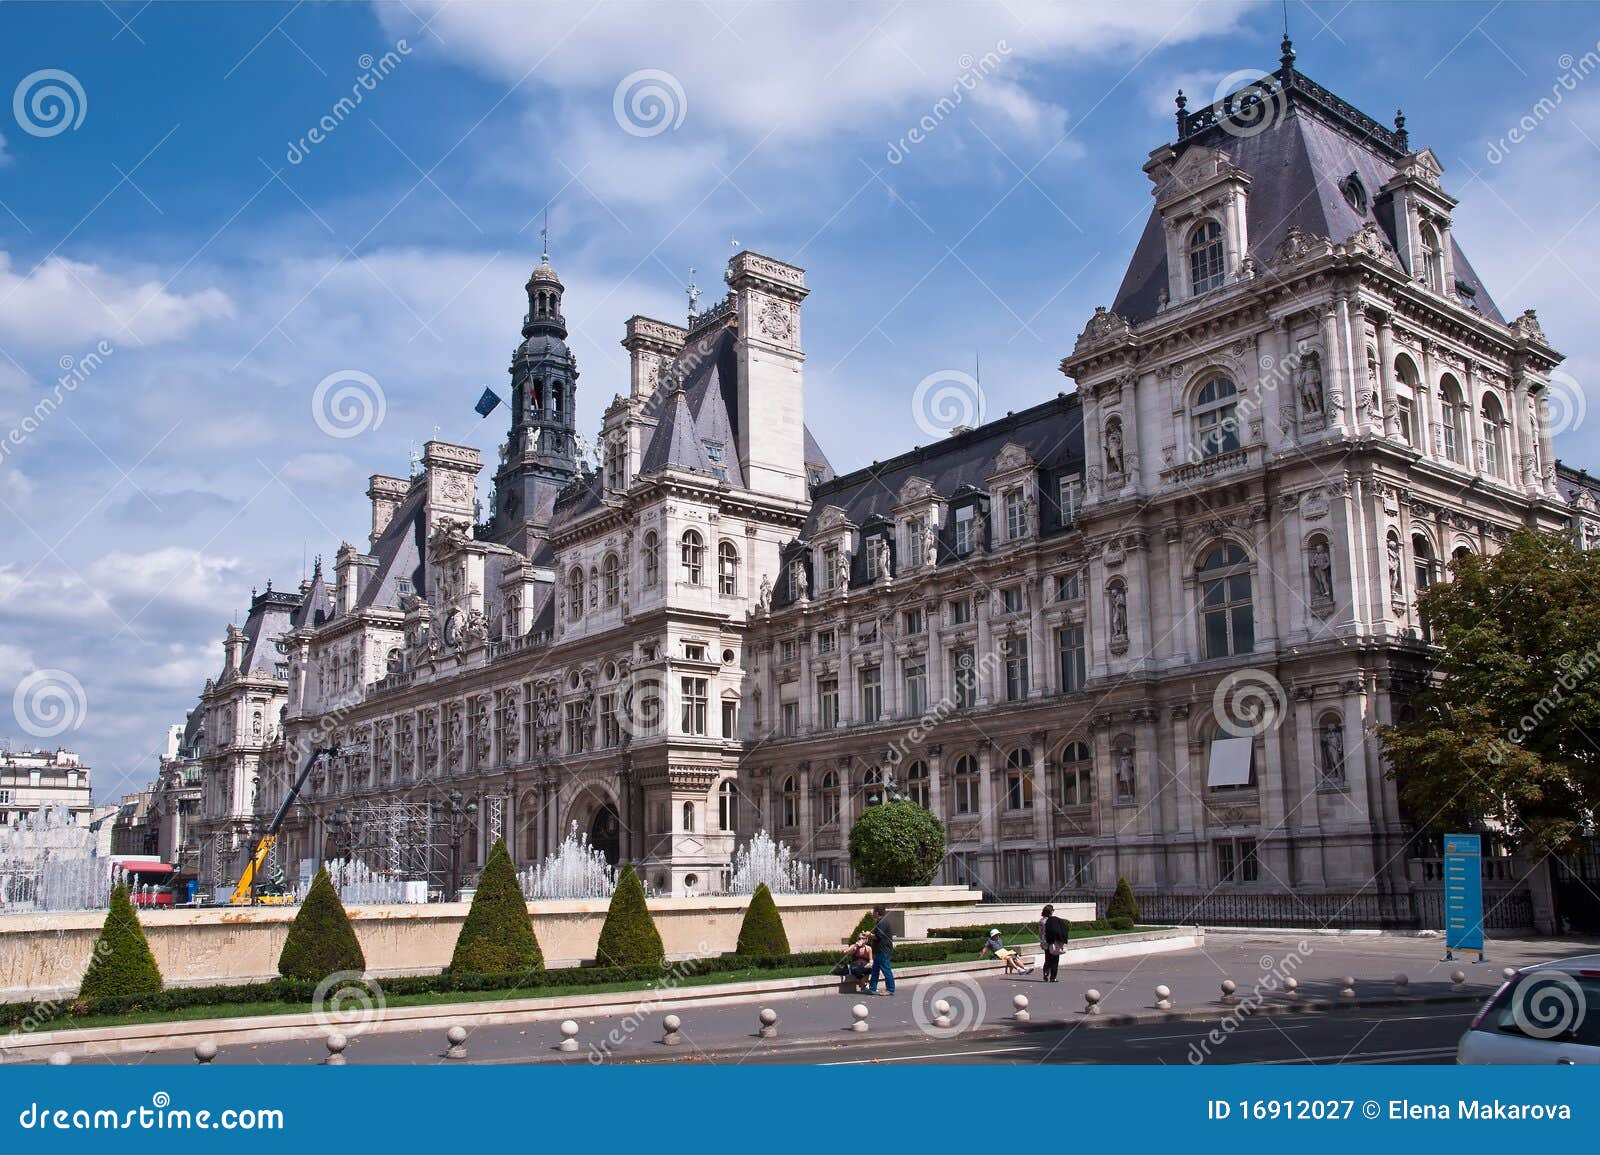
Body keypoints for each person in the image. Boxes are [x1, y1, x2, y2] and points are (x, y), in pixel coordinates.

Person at [867, 905, 896, 996]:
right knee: (875, 969)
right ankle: (872, 988)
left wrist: (869, 935)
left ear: (876, 912)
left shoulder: (882, 922)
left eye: (873, 911)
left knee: (885, 969)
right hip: (879, 950)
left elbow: (878, 937)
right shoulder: (881, 921)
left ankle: (890, 989)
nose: (872, 913)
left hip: (883, 950)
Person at [1039, 904, 1070, 982]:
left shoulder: (1042, 921)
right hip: (1054, 942)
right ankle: (1053, 977)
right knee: (1055, 960)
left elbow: (1040, 932)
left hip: (1045, 942)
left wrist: (1041, 941)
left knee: (1047, 959)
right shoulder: (1054, 920)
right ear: (1051, 911)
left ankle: (1046, 974)